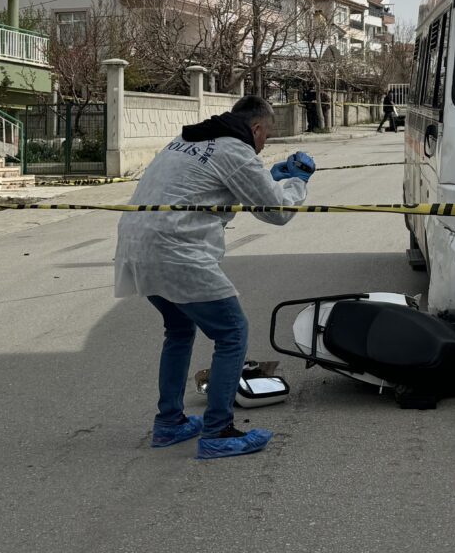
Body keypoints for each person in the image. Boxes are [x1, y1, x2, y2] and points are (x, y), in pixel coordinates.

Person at [114, 96, 314, 460]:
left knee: (178, 330)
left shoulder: (186, 141)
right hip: (175, 250)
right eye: (267, 136)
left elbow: (213, 189)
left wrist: (269, 179)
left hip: (135, 245)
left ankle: (169, 423)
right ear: (255, 129)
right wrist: (297, 182)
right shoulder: (236, 151)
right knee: (232, 332)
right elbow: (276, 212)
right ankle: (219, 431)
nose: (264, 144)